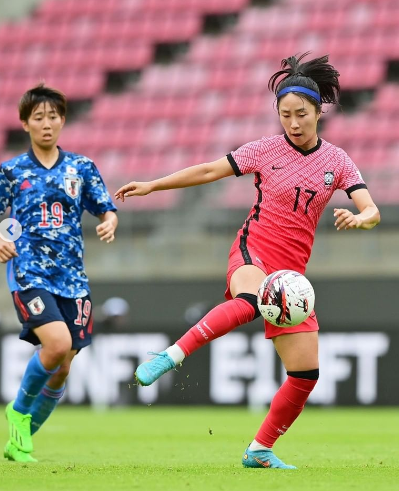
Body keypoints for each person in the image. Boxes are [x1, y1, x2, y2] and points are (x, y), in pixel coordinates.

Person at [115, 53, 380, 469]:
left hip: (292, 276)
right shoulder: (264, 150)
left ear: (318, 111)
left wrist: (360, 218)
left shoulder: (338, 162)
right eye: (285, 114)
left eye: (301, 114)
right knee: (252, 301)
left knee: (305, 373)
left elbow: (372, 209)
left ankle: (259, 449)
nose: (292, 122)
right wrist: (153, 185)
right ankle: (171, 355)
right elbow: (207, 171)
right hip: (253, 249)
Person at [0, 84, 118, 462]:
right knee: (57, 344)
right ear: (25, 123)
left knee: (62, 367)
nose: (47, 124)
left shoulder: (81, 167)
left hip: (72, 278)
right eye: (38, 117)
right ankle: (17, 410)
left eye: (53, 116)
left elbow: (105, 207)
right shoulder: (12, 170)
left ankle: (20, 439)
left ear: (62, 120)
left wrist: (110, 221)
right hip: (30, 271)